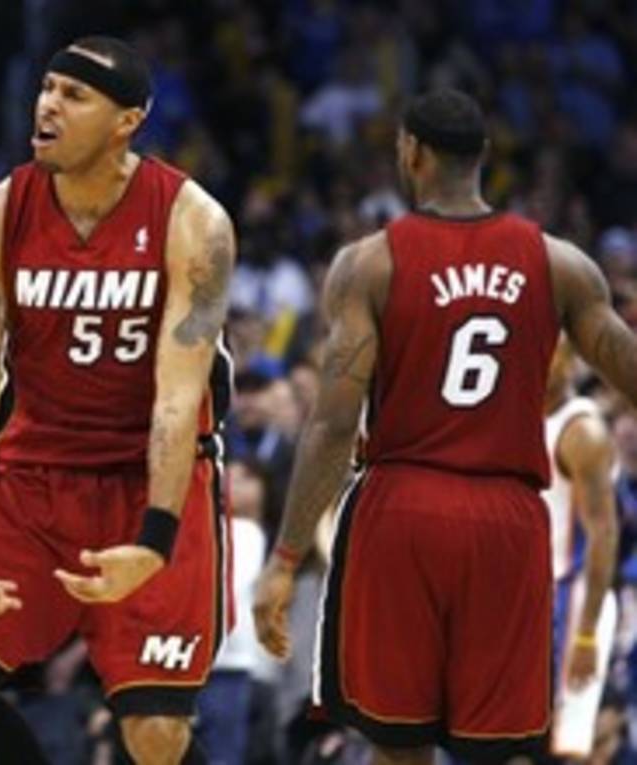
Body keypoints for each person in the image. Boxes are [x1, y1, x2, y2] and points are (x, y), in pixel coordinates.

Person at [253, 88, 637, 765]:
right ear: (483, 156)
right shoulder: (559, 264)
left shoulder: (369, 262)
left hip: (403, 507)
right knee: (497, 750)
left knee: (397, 743)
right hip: (507, 517)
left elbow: (332, 424)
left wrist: (284, 559)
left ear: (410, 151)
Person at [0, 36, 235, 765]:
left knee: (155, 736)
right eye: (47, 88)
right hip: (34, 480)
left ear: (127, 122)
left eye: (74, 95)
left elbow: (177, 396)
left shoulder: (193, 221)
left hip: (149, 479)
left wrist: (154, 537)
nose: (48, 105)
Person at [544, 336, 618, 759]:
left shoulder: (582, 431)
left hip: (572, 598)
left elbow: (603, 534)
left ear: (573, 363)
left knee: (569, 749)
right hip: (522, 599)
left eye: (555, 353)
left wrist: (586, 633)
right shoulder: (510, 419)